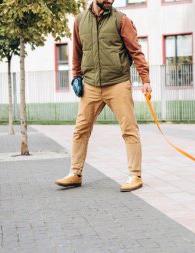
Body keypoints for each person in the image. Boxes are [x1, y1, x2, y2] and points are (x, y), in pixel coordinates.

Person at [55, 0, 151, 192]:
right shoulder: (80, 20)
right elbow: (77, 52)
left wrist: (145, 79)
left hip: (118, 83)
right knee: (80, 130)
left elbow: (135, 51)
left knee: (129, 129)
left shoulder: (121, 20)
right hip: (90, 85)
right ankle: (75, 173)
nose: (110, 0)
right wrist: (76, 77)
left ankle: (135, 175)